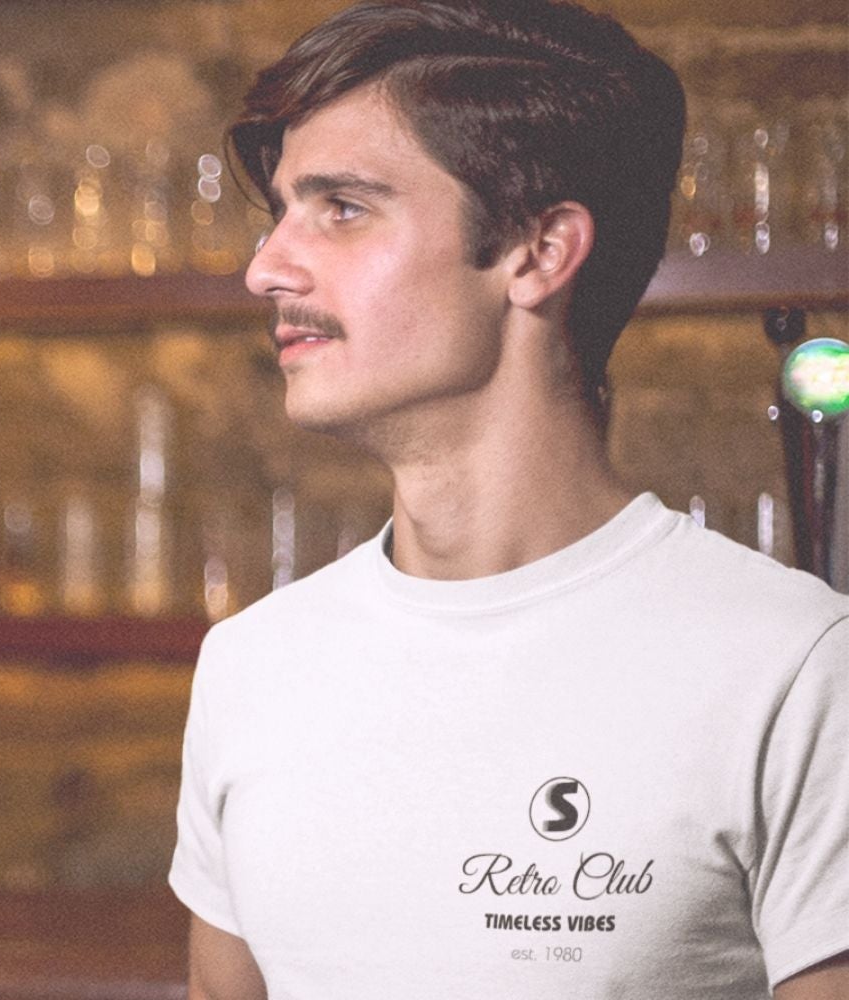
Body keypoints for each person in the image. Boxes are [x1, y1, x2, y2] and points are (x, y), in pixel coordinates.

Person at [168, 1, 849, 997]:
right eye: (280, 212)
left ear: (539, 252)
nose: (266, 266)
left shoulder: (793, 666)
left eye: (342, 208)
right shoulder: (249, 665)